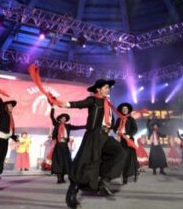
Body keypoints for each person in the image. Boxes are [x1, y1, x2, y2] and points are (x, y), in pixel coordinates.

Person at [60, 79, 126, 208]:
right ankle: (72, 193)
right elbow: (80, 104)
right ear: (98, 89)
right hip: (94, 135)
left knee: (120, 153)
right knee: (86, 164)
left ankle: (104, 181)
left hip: (105, 136)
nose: (108, 90)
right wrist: (66, 104)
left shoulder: (108, 103)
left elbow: (109, 120)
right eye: (106, 87)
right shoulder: (94, 101)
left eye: (108, 88)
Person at [50, 108, 86, 184]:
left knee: (65, 161)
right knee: (58, 161)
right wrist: (52, 108)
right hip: (59, 145)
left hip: (65, 146)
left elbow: (77, 127)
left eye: (65, 118)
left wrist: (86, 126)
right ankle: (59, 178)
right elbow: (52, 117)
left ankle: (62, 178)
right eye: (63, 118)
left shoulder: (68, 126)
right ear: (59, 119)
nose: (64, 119)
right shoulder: (57, 124)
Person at [113, 102, 139, 184]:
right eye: (123, 109)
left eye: (126, 109)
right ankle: (122, 175)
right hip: (120, 140)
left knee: (129, 159)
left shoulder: (131, 119)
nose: (124, 110)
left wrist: (128, 135)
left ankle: (127, 176)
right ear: (121, 110)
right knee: (121, 158)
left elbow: (135, 129)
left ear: (128, 110)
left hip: (128, 140)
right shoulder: (119, 119)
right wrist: (116, 131)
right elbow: (114, 128)